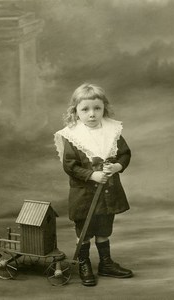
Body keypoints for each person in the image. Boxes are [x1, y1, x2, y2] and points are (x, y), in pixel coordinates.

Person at [54, 83, 133, 286]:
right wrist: (92, 175)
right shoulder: (72, 136)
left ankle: (105, 263)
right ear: (75, 112)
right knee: (85, 230)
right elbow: (70, 166)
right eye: (85, 109)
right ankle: (84, 262)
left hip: (108, 193)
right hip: (85, 194)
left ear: (104, 108)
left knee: (104, 228)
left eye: (97, 108)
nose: (92, 114)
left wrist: (117, 166)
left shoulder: (112, 130)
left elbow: (125, 153)